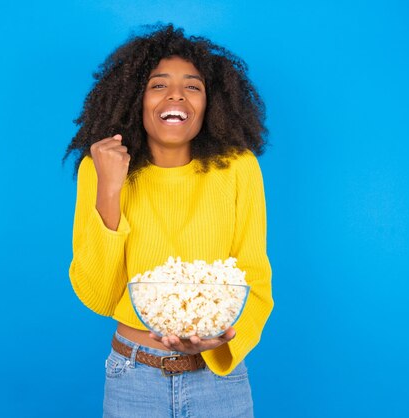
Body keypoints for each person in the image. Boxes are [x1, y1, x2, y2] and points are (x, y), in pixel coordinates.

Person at [64, 23, 274, 418]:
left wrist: (216, 341)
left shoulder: (238, 168)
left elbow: (255, 281)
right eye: (158, 85)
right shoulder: (101, 168)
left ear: (212, 103)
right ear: (135, 99)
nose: (176, 94)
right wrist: (110, 187)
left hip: (219, 380)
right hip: (132, 377)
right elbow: (98, 293)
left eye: (192, 86)